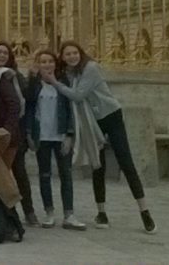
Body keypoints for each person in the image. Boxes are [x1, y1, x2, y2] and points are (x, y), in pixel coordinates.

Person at [44, 41, 156, 233]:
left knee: (125, 161)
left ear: (81, 53)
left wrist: (55, 82)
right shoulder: (69, 74)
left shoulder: (91, 68)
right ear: (62, 57)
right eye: (68, 54)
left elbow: (78, 96)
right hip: (91, 121)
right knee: (98, 164)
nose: (72, 56)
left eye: (75, 53)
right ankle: (101, 212)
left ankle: (144, 211)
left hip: (111, 116)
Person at [25, 49, 85, 230]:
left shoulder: (63, 82)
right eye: (43, 62)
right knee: (44, 175)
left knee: (66, 174)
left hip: (60, 135)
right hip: (41, 135)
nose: (47, 65)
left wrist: (69, 135)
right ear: (38, 64)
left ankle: (69, 214)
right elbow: (28, 106)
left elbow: (69, 109)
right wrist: (28, 133)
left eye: (50, 61)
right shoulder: (35, 85)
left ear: (55, 64)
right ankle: (49, 212)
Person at [0, 41, 37, 226]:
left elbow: (29, 98)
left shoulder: (15, 76)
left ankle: (29, 210)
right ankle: (5, 210)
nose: (1, 55)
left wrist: (33, 76)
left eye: (4, 53)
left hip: (14, 131)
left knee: (19, 172)